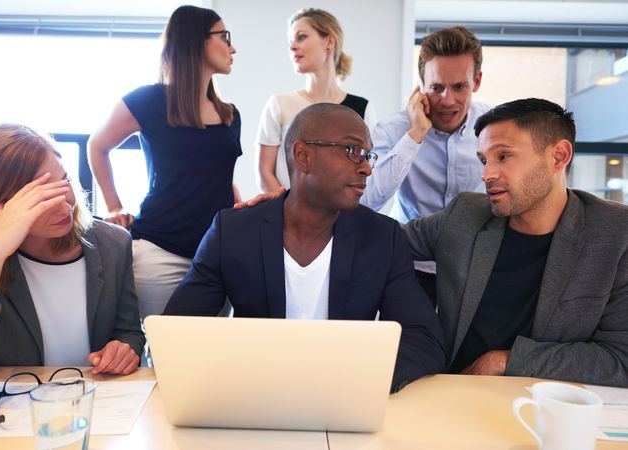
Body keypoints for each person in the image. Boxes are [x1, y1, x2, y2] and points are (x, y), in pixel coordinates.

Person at [165, 104, 447, 392]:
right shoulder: (234, 232)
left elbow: (424, 340)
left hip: (344, 403)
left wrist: (353, 379)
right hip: (255, 400)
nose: (366, 167)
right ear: (303, 156)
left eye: (368, 155)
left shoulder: (381, 238)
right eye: (353, 151)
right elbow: (176, 331)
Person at [402, 98, 628, 387]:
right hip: (452, 396)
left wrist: (503, 361)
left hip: (546, 407)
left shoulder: (615, 233)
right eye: (484, 160)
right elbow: (385, 240)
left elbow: (621, 359)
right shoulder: (465, 215)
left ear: (558, 156)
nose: (486, 174)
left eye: (503, 157)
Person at [0, 124, 145, 403]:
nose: (65, 204)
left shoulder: (112, 244)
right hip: (7, 417)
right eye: (41, 196)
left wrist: (126, 349)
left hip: (93, 407)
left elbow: (128, 332)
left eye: (64, 182)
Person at [88, 5, 241, 320]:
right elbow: (97, 146)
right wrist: (114, 206)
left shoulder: (230, 114)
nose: (232, 47)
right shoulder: (148, 100)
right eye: (224, 36)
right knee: (163, 354)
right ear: (195, 40)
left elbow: (220, 177)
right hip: (161, 251)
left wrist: (244, 210)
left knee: (210, 355)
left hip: (216, 254)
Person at [361, 26, 490, 304]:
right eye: (436, 87)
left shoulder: (495, 128)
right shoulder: (395, 129)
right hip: (410, 267)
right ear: (420, 85)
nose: (447, 99)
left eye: (460, 87)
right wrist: (415, 134)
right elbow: (367, 198)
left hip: (476, 268)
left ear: (476, 82)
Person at [255, 7, 377, 193]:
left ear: (329, 41)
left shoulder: (362, 109)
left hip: (343, 218)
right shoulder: (278, 105)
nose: (292, 46)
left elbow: (366, 171)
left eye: (301, 37)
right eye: (290, 41)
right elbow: (265, 173)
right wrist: (287, 211)